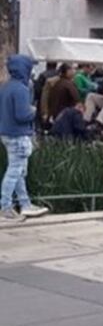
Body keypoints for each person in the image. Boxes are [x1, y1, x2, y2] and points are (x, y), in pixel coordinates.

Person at [0, 55, 48, 222]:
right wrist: (33, 110)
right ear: (24, 68)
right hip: (18, 135)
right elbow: (22, 115)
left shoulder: (5, 87)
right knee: (14, 171)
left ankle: (25, 204)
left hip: (6, 133)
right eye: (30, 67)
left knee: (19, 172)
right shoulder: (21, 89)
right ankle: (5, 207)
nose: (32, 70)